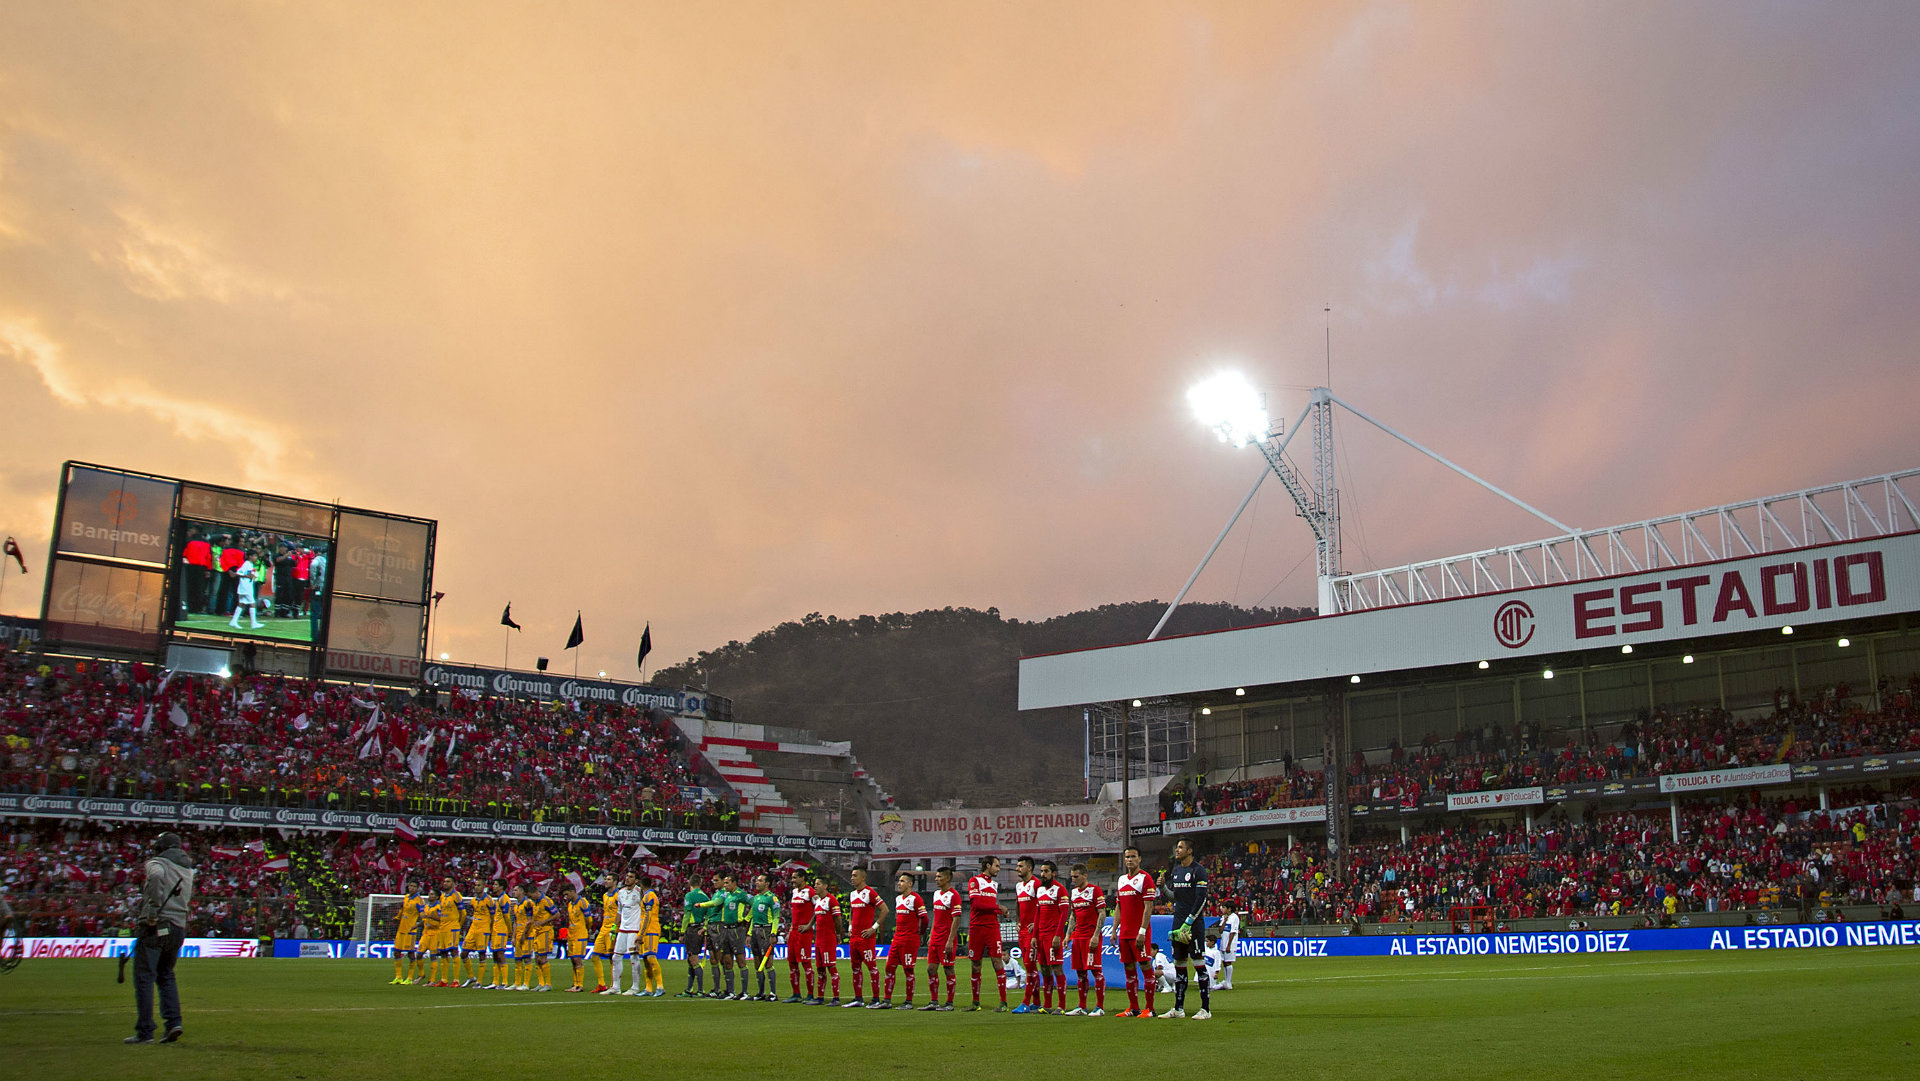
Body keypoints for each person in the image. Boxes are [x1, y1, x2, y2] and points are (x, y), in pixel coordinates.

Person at [126, 831, 194, 1045]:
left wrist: (153, 912)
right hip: (178, 926)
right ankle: (174, 1022)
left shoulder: (157, 863)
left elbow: (155, 878)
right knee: (166, 975)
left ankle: (145, 1032)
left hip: (157, 925)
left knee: (144, 977)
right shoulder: (188, 867)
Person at [1161, 837, 1211, 1020]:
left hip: (1193, 925)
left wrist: (1189, 922)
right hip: (1177, 923)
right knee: (1179, 966)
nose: (1177, 850)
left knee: (1199, 965)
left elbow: (1201, 899)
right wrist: (1164, 889)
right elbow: (1177, 897)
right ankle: (1178, 1008)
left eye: (1181, 847)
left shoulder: (1199, 871)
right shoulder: (1176, 871)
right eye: (1177, 847)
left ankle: (1205, 1009)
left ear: (1190, 851)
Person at [1113, 845, 1157, 1017]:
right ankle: (1133, 1008)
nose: (1129, 860)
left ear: (1140, 859)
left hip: (1139, 933)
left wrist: (1142, 931)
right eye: (1127, 857)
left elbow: (1148, 907)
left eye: (1133, 856)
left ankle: (1150, 1009)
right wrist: (1115, 929)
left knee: (1145, 966)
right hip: (1124, 933)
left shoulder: (1146, 879)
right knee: (1129, 970)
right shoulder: (1122, 880)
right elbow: (1119, 907)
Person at [964, 855, 1010, 1012]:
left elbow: (986, 904)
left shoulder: (994, 885)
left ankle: (1003, 1002)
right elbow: (977, 904)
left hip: (992, 927)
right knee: (976, 965)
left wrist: (999, 910)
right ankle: (975, 1002)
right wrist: (999, 908)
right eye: (996, 866)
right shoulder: (974, 881)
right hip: (977, 927)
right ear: (988, 865)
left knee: (997, 962)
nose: (998, 869)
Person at [875, 871, 923, 1009]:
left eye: (902, 881)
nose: (899, 883)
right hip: (897, 939)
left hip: (909, 940)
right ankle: (886, 1000)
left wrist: (919, 933)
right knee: (889, 967)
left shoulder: (916, 899)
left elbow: (924, 918)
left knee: (908, 970)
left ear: (910, 884)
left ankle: (908, 1002)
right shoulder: (898, 899)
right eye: (898, 881)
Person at [1066, 863, 1107, 1016]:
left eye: (1076, 877)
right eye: (1072, 877)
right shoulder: (1074, 892)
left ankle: (1099, 1007)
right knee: (1080, 972)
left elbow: (1102, 913)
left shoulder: (1095, 890)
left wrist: (1096, 935)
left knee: (1096, 971)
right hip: (1078, 937)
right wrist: (1068, 935)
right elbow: (1073, 916)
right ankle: (1081, 1006)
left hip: (1091, 937)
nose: (1073, 879)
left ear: (1085, 875)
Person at [841, 867, 886, 1006]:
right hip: (854, 937)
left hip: (866, 938)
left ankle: (876, 999)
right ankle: (858, 999)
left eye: (855, 875)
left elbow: (885, 909)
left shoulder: (870, 893)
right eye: (851, 875)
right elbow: (852, 912)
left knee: (871, 967)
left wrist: (873, 928)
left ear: (863, 878)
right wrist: (849, 927)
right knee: (855, 968)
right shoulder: (853, 894)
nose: (852, 878)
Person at [917, 866, 959, 1012]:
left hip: (946, 939)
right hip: (935, 939)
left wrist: (950, 940)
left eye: (939, 876)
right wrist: (931, 934)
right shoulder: (936, 894)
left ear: (948, 878)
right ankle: (934, 1001)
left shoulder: (954, 895)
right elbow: (936, 915)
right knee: (931, 969)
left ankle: (949, 1003)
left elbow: (956, 919)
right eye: (936, 876)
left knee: (948, 969)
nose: (936, 879)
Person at [1032, 861, 1068, 1014]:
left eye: (1046, 871)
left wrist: (1058, 935)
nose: (1042, 874)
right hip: (1041, 936)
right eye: (1041, 871)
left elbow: (1064, 914)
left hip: (1053, 935)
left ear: (1053, 873)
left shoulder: (1060, 890)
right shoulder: (1039, 890)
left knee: (1057, 969)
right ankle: (1047, 1005)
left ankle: (1061, 1006)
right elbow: (1037, 914)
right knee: (1045, 969)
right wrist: (1034, 936)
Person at [747, 873, 782, 1002]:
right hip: (755, 930)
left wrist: (773, 933)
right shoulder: (756, 898)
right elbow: (752, 918)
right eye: (757, 880)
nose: (757, 882)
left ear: (767, 883)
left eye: (760, 880)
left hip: (766, 930)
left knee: (768, 963)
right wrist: (749, 933)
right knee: (757, 962)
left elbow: (776, 917)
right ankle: (760, 992)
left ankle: (773, 993)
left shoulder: (772, 898)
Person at [810, 871, 843, 1006]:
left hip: (828, 940)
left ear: (825, 886)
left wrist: (838, 933)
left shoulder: (831, 900)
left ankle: (836, 998)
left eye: (818, 884)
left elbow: (838, 919)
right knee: (820, 969)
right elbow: (815, 918)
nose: (815, 886)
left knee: (831, 968)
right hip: (818, 940)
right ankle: (820, 997)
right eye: (814, 884)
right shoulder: (818, 901)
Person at [783, 872, 817, 1003]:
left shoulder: (810, 892)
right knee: (792, 963)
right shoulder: (794, 892)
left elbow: (818, 908)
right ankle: (796, 994)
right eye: (792, 878)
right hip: (794, 932)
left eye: (795, 877)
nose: (792, 880)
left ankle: (810, 994)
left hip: (804, 933)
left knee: (805, 963)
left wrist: (809, 925)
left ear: (802, 878)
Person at [1011, 856, 1039, 1012]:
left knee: (1030, 966)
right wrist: (1018, 921)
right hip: (1022, 931)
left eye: (1020, 866)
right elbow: (1018, 905)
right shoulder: (1019, 886)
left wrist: (1036, 923)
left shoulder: (1036, 884)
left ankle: (1026, 1003)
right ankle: (1036, 1001)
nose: (1017, 869)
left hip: (1032, 932)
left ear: (1029, 868)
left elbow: (1042, 905)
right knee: (1030, 966)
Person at [678, 879, 711, 997]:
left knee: (693, 959)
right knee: (691, 959)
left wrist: (682, 932)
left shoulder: (689, 895)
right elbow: (708, 915)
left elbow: (687, 915)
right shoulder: (705, 897)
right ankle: (689, 989)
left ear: (689, 884)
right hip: (700, 929)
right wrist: (705, 928)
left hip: (692, 930)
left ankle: (700, 990)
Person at [461, 881, 497, 987]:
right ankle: (471, 977)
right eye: (475, 885)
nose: (476, 887)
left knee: (481, 954)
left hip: (484, 929)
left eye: (479, 885)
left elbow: (492, 917)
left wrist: (490, 930)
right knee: (463, 953)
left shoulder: (489, 900)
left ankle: (479, 982)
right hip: (473, 929)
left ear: (484, 887)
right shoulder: (473, 900)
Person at [390, 883, 425, 985]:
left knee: (410, 954)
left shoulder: (419, 900)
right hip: (401, 929)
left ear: (417, 888)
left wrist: (418, 925)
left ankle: (409, 978)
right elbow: (402, 910)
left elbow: (423, 916)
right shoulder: (406, 897)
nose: (412, 888)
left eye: (414, 886)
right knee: (396, 952)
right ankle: (398, 977)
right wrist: (397, 917)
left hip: (410, 931)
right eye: (410, 886)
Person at [592, 874, 621, 993]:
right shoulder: (604, 896)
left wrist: (616, 927)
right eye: (606, 879)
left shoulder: (618, 895)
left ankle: (613, 985)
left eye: (609, 879)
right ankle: (601, 984)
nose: (606, 881)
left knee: (611, 958)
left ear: (615, 882)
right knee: (594, 956)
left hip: (612, 929)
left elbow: (621, 912)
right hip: (603, 928)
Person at [563, 884, 591, 991]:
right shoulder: (570, 904)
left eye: (566, 894)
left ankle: (580, 985)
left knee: (577, 959)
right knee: (572, 960)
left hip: (580, 934)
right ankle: (575, 984)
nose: (565, 897)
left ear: (572, 891)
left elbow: (589, 919)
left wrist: (587, 930)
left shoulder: (582, 902)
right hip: (571, 935)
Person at [1217, 909, 1241, 990]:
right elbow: (1220, 930)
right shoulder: (1224, 917)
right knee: (1224, 962)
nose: (1222, 909)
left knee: (1228, 962)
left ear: (1229, 909)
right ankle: (1226, 981)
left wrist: (1229, 945)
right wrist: (1225, 920)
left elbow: (1233, 932)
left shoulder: (1235, 917)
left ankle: (1228, 982)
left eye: (1224, 907)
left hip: (1230, 944)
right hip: (1223, 943)